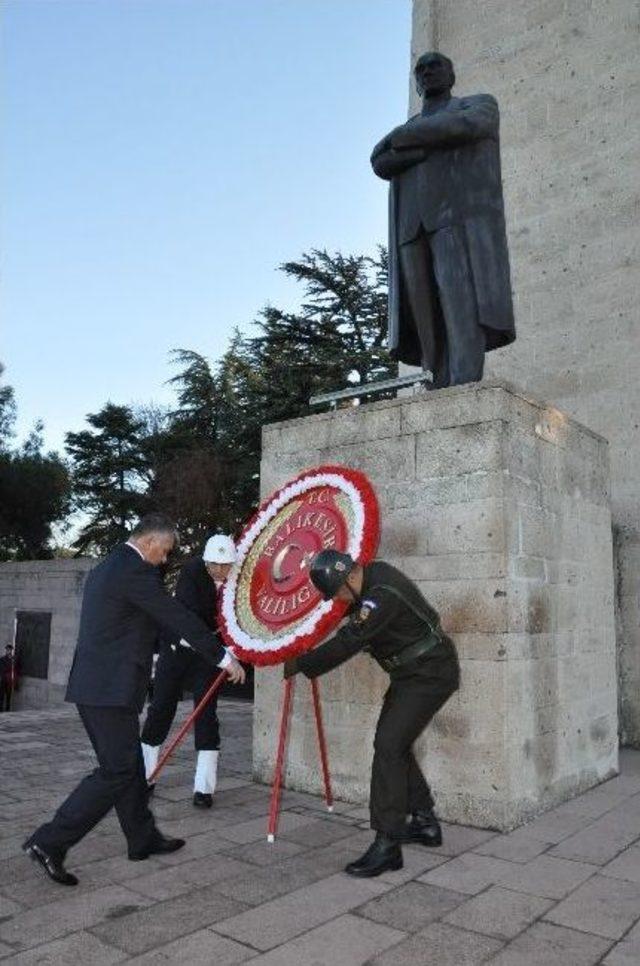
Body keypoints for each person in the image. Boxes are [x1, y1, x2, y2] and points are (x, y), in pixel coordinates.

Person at [22, 514, 245, 887]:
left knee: (127, 768)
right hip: (108, 690)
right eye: (165, 551)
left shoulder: (109, 565)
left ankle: (142, 837)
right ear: (150, 542)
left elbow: (136, 624)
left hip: (101, 687)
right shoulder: (135, 572)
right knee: (117, 771)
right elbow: (176, 616)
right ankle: (49, 842)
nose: (165, 559)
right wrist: (223, 656)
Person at [284, 549, 459, 877]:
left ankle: (388, 843)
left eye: (336, 591)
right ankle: (424, 821)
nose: (337, 599)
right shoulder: (369, 578)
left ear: (349, 577)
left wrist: (300, 663)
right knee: (394, 744)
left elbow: (349, 640)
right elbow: (344, 621)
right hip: (412, 675)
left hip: (430, 673)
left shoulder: (380, 597)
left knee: (389, 746)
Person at [371, 51, 515, 386]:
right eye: (420, 70)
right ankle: (435, 382)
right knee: (424, 316)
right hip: (411, 228)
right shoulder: (406, 128)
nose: (426, 72)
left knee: (460, 303)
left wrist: (407, 141)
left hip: (452, 220)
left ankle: (465, 381)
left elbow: (472, 125)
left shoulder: (476, 104)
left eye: (435, 66)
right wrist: (427, 142)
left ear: (451, 75)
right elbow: (379, 161)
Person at [141, 534, 238, 808]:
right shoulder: (192, 572)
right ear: (206, 561)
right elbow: (190, 620)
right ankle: (145, 777)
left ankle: (203, 789)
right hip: (179, 647)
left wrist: (235, 647)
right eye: (215, 564)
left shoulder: (237, 577)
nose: (220, 570)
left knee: (206, 716)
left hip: (209, 656)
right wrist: (223, 656)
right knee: (161, 709)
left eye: (226, 564)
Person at [0, 643, 19, 711]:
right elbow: (2, 669)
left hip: (10, 681)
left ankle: (7, 709)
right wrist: (10, 665)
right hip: (4, 680)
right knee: (1, 696)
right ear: (6, 650)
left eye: (10, 650)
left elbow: (16, 669)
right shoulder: (2, 659)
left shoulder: (14, 659)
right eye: (8, 650)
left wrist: (13, 663)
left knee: (8, 696)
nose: (9, 651)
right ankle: (1, 709)